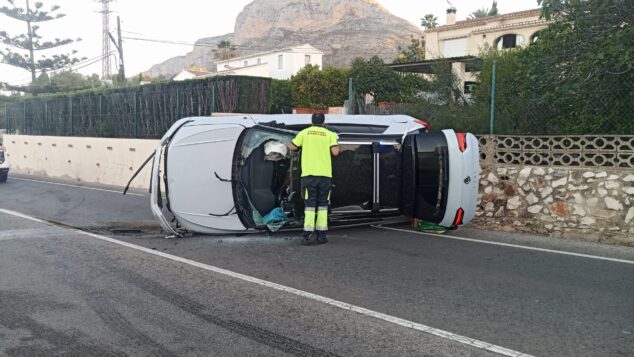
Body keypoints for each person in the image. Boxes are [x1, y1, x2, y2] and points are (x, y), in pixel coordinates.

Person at [289, 113, 340, 245]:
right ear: (323, 122)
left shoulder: (304, 133)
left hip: (308, 176)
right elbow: (335, 152)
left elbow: (292, 147)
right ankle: (321, 236)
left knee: (310, 206)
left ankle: (307, 235)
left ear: (312, 121)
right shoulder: (330, 134)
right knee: (323, 205)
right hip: (325, 176)